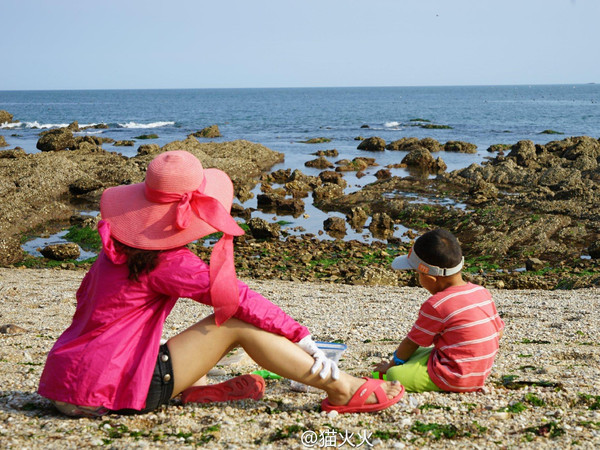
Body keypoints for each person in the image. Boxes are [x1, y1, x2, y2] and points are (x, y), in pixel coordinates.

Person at [38, 150, 404, 417]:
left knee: (182, 331)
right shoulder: (167, 261)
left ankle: (189, 391)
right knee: (233, 322)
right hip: (106, 390)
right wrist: (299, 335)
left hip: (66, 379)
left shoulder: (113, 250)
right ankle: (343, 388)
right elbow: (236, 299)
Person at [374, 228, 504, 393]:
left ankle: (405, 373)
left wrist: (390, 365)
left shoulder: (437, 304)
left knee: (395, 373)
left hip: (454, 377)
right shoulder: (481, 292)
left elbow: (411, 342)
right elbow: (498, 333)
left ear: (429, 277)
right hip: (481, 372)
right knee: (417, 352)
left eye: (417, 274)